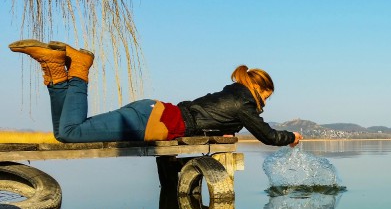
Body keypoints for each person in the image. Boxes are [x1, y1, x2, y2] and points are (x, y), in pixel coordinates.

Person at [8, 39, 302, 146]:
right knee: (70, 132)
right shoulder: (243, 102)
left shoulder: (229, 95)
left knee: (63, 132)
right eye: (266, 96)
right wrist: (291, 137)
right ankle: (80, 69)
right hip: (153, 123)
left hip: (153, 113)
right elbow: (267, 136)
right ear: (259, 88)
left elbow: (204, 119)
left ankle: (54, 68)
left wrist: (219, 131)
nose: (264, 103)